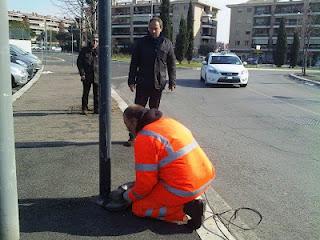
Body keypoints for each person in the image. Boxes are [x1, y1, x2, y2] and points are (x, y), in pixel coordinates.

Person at [121, 104, 216, 230]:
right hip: (205, 176)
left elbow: (146, 183)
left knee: (139, 208)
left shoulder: (145, 137)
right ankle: (188, 201)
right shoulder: (169, 122)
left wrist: (128, 197)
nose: (129, 131)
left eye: (128, 126)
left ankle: (187, 208)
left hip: (184, 188)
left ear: (133, 122)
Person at [125, 17, 176, 146]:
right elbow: (134, 63)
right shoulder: (141, 43)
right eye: (151, 28)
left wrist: (172, 81)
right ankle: (133, 136)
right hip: (142, 83)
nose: (153, 31)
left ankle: (151, 137)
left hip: (158, 84)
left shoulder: (167, 43)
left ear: (161, 28)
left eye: (156, 28)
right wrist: (131, 80)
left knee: (153, 113)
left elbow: (171, 64)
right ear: (148, 28)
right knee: (137, 112)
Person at [77, 34, 99, 115]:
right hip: (87, 75)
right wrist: (82, 74)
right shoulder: (84, 50)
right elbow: (79, 63)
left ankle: (97, 109)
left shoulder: (100, 50)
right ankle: (84, 108)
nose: (95, 42)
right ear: (91, 41)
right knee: (86, 93)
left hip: (97, 75)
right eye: (94, 40)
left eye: (97, 41)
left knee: (97, 93)